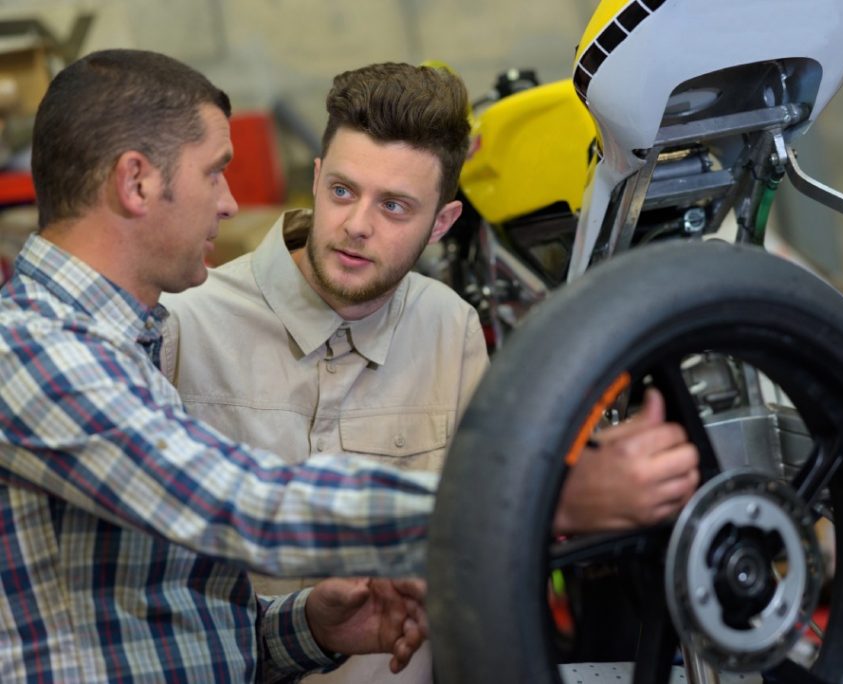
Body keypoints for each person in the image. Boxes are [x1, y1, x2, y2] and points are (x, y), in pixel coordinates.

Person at [0, 51, 699, 682]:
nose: (231, 200)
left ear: (440, 222)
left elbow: (190, 630)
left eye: (395, 205)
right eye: (215, 171)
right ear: (135, 182)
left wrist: (310, 626)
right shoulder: (36, 353)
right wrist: (544, 493)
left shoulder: (127, 344)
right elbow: (245, 504)